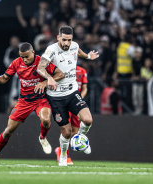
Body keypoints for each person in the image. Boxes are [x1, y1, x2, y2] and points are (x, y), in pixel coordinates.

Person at [0, 42, 65, 164]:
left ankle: (42, 138)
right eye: (22, 57)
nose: (24, 59)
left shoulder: (42, 62)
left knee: (46, 120)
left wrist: (45, 82)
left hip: (41, 100)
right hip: (24, 101)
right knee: (8, 131)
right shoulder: (16, 63)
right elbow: (4, 79)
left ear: (33, 52)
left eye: (27, 56)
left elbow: (60, 74)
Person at [37, 25, 99, 166]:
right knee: (66, 132)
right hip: (56, 97)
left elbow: (79, 52)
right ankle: (64, 155)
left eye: (69, 40)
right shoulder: (51, 50)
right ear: (58, 37)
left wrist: (89, 56)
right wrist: (49, 78)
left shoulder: (74, 46)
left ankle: (81, 139)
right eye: (64, 40)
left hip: (72, 92)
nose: (66, 43)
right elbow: (40, 67)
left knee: (88, 120)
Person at [55, 65, 88, 165]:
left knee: (75, 132)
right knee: (66, 130)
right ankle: (66, 156)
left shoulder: (82, 71)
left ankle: (60, 150)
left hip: (76, 103)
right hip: (65, 102)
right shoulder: (62, 69)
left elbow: (84, 88)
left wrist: (78, 101)